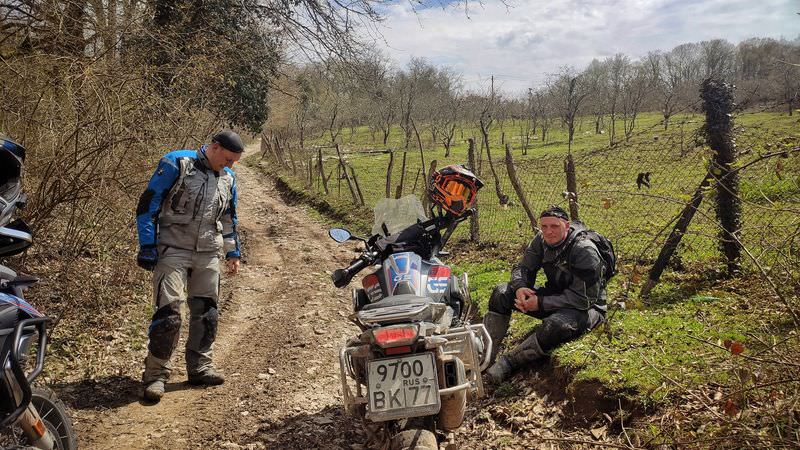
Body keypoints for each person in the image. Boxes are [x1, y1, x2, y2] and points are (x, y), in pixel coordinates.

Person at [135, 130, 243, 402]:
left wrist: (233, 253)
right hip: (172, 249)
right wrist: (147, 244)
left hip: (209, 251)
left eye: (234, 161)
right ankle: (156, 375)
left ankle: (200, 368)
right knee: (169, 315)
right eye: (228, 159)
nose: (229, 165)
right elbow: (149, 203)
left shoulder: (228, 178)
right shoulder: (177, 163)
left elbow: (229, 218)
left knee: (207, 313)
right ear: (214, 147)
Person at [483, 205, 607, 384]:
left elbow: (583, 299)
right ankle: (486, 355)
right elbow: (523, 268)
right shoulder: (541, 240)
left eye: (554, 226)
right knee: (501, 293)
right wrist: (520, 287)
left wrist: (541, 303)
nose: (548, 232)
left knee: (555, 326)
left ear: (566, 225)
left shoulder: (584, 250)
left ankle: (508, 363)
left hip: (587, 308)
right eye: (544, 227)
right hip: (555, 296)